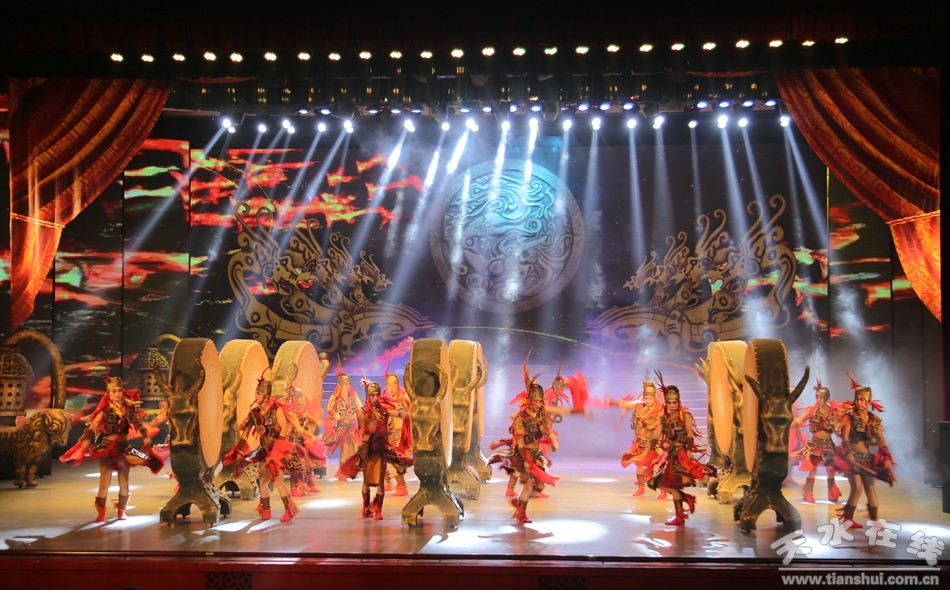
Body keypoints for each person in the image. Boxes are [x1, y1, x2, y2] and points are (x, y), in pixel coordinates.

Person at [60, 375, 164, 522]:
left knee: (124, 482)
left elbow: (140, 425)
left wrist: (146, 436)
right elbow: (93, 427)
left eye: (119, 391)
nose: (117, 394)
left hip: (124, 448)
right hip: (107, 449)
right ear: (108, 393)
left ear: (123, 392)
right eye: (114, 391)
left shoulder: (129, 409)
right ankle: (101, 511)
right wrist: (86, 439)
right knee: (104, 483)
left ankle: (122, 510)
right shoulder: (104, 410)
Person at [223, 369, 320, 522]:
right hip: (264, 451)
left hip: (277, 450)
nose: (256, 396)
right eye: (256, 393)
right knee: (263, 480)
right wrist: (240, 450)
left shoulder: (277, 410)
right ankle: (266, 510)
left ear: (266, 396)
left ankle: (289, 510)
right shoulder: (255, 412)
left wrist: (277, 449)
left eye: (258, 394)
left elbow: (284, 428)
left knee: (278, 481)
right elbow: (246, 431)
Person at [489, 371, 562, 524]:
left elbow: (544, 431)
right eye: (534, 400)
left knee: (538, 485)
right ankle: (521, 512)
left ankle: (519, 505)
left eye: (539, 401)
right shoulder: (521, 418)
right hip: (524, 454)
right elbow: (521, 442)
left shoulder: (540, 415)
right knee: (528, 485)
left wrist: (551, 436)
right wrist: (526, 459)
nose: (537, 403)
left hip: (537, 454)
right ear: (529, 400)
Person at [338, 379, 411, 519]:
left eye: (377, 395)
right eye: (372, 395)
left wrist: (404, 406)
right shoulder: (362, 412)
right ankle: (366, 507)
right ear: (368, 396)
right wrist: (370, 425)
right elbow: (365, 428)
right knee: (367, 482)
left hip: (381, 450)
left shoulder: (384, 410)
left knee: (380, 482)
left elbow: (402, 415)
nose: (376, 398)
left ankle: (378, 510)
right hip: (368, 450)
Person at [647, 374, 711, 526]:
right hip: (670, 456)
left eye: (674, 402)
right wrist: (650, 450)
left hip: (681, 455)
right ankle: (684, 505)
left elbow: (689, 434)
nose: (672, 405)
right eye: (669, 402)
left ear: (678, 401)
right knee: (662, 484)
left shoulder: (685, 416)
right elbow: (656, 435)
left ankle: (680, 514)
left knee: (669, 484)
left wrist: (689, 451)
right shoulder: (663, 419)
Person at [837, 377, 896, 528]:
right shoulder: (849, 417)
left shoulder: (873, 420)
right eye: (857, 399)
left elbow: (881, 440)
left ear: (868, 402)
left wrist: (887, 457)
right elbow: (845, 437)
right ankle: (848, 519)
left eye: (862, 400)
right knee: (857, 488)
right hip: (852, 457)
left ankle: (875, 519)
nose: (859, 402)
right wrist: (849, 453)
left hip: (867, 459)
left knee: (870, 489)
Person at [612, 378, 666, 499]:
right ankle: (641, 487)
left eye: (650, 398)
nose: (648, 400)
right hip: (641, 442)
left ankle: (663, 490)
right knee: (639, 465)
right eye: (646, 398)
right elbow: (634, 423)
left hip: (655, 443)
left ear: (654, 398)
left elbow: (660, 426)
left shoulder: (659, 408)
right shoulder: (639, 407)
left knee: (656, 466)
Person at [792, 379, 842, 503]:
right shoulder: (812, 410)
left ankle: (831, 492)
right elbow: (800, 420)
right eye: (817, 397)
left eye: (821, 397)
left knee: (830, 469)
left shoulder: (832, 411)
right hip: (815, 443)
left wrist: (838, 427)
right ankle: (809, 492)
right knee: (812, 469)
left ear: (826, 398)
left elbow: (838, 427)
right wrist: (788, 423)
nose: (818, 399)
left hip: (828, 444)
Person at [322, 371, 363, 480]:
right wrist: (337, 415)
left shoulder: (353, 395)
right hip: (341, 427)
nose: (347, 386)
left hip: (351, 427)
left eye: (348, 384)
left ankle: (343, 471)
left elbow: (360, 405)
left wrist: (355, 415)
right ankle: (342, 473)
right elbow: (329, 408)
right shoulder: (336, 396)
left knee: (351, 449)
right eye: (345, 384)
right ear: (340, 385)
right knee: (346, 448)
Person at [381, 372, 413, 496]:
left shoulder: (402, 397)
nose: (391, 389)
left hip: (400, 435)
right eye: (389, 386)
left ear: (398, 385)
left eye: (393, 386)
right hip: (389, 433)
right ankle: (388, 482)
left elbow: (405, 415)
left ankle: (402, 486)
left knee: (392, 461)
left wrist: (389, 412)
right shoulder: (386, 398)